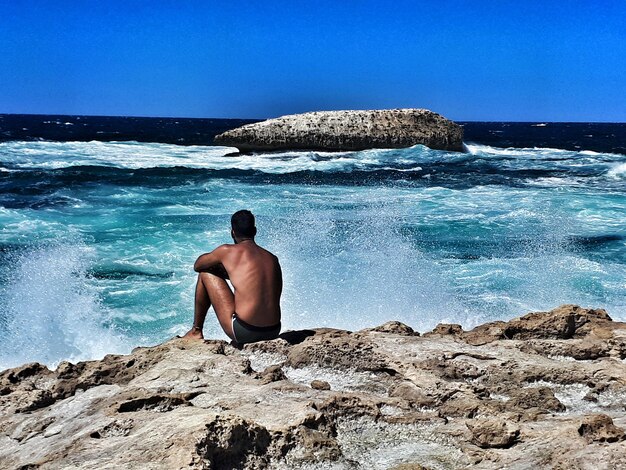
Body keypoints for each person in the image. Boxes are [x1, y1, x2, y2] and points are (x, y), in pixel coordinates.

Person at [183, 210, 282, 345]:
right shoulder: (272, 258)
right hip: (273, 331)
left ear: (232, 232)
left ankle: (196, 331)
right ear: (254, 231)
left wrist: (221, 266)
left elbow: (198, 265)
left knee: (205, 274)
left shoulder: (227, 251)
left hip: (246, 332)